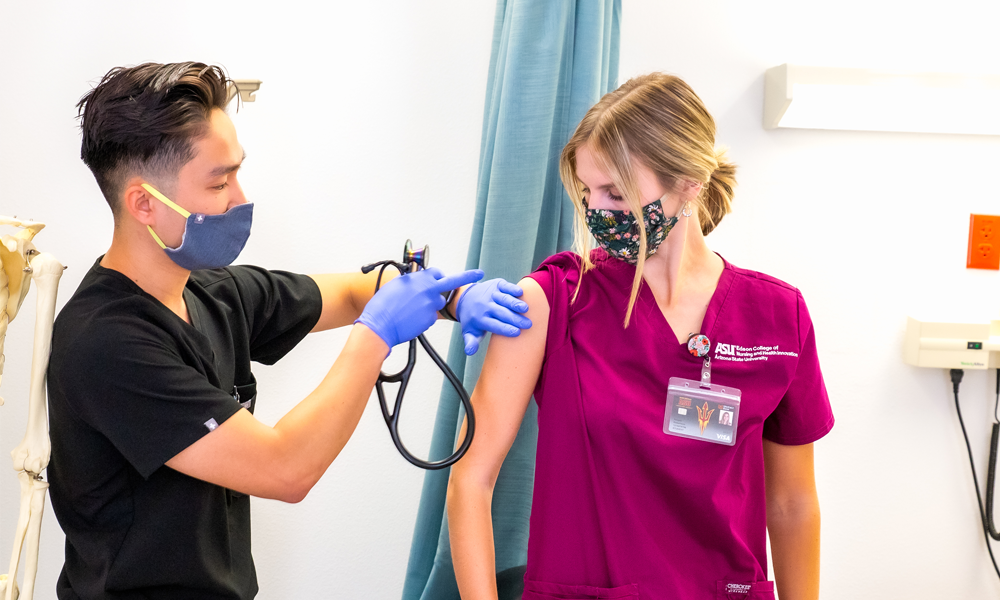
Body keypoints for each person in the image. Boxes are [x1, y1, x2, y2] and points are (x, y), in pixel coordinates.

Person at [45, 62, 531, 600]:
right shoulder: (108, 344)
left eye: (236, 173)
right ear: (144, 204)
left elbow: (352, 292)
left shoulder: (210, 292)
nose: (239, 198)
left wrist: (455, 300)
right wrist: (376, 335)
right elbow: (285, 469)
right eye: (219, 181)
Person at [447, 73, 834, 600]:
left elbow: (791, 502)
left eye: (615, 191)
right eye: (587, 191)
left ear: (688, 182)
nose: (597, 211)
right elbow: (470, 480)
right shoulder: (556, 299)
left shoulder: (777, 316)